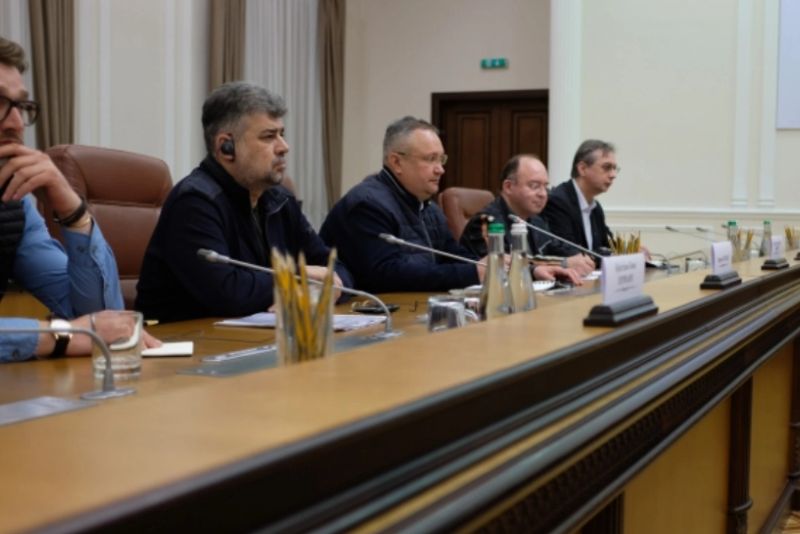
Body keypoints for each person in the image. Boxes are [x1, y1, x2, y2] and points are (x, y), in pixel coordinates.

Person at [136, 82, 351, 322]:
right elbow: (228, 293)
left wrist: (318, 289)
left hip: (255, 336)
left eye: (282, 134)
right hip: (187, 340)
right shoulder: (195, 201)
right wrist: (296, 279)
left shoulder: (280, 200)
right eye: (269, 136)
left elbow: (336, 269)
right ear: (226, 147)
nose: (284, 147)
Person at [0, 36, 146, 362]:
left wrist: (72, 210)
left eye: (20, 106)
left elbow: (100, 318)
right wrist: (60, 336)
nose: (15, 124)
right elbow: (85, 332)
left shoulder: (12, 203)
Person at [319, 117, 576, 293]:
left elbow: (457, 255)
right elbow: (386, 274)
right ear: (396, 162)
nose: (440, 169)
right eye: (430, 159)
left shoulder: (428, 208)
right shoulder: (367, 204)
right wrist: (473, 273)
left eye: (441, 159)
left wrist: (526, 271)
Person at [460, 154, 595, 277]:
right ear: (508, 187)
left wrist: (581, 258)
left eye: (545, 186)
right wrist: (563, 263)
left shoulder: (535, 220)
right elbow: (504, 267)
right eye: (534, 186)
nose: (543, 194)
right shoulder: (487, 223)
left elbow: (555, 247)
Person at [541, 139, 618, 263]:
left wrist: (630, 251)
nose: (613, 175)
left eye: (615, 169)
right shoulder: (558, 201)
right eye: (607, 167)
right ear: (582, 168)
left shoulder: (596, 208)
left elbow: (607, 246)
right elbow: (567, 252)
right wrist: (604, 255)